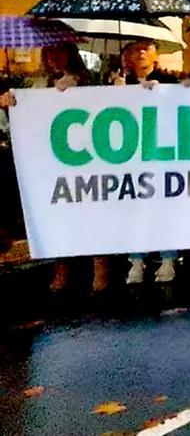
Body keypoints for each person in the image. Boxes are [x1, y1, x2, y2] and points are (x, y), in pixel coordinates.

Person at [0, 43, 108, 292]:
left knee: (93, 216)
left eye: (59, 52)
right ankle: (62, 270)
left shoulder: (90, 82)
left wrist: (77, 88)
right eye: (48, 53)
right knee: (60, 218)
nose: (53, 58)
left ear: (70, 54)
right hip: (53, 164)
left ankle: (100, 270)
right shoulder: (37, 86)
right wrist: (11, 102)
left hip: (87, 162)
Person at [121, 40, 181, 285]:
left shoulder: (169, 81)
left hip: (163, 156)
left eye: (146, 47)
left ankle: (168, 259)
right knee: (135, 210)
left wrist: (163, 92)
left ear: (156, 56)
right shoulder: (118, 83)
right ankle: (136, 261)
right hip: (132, 159)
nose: (141, 52)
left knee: (163, 208)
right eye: (135, 49)